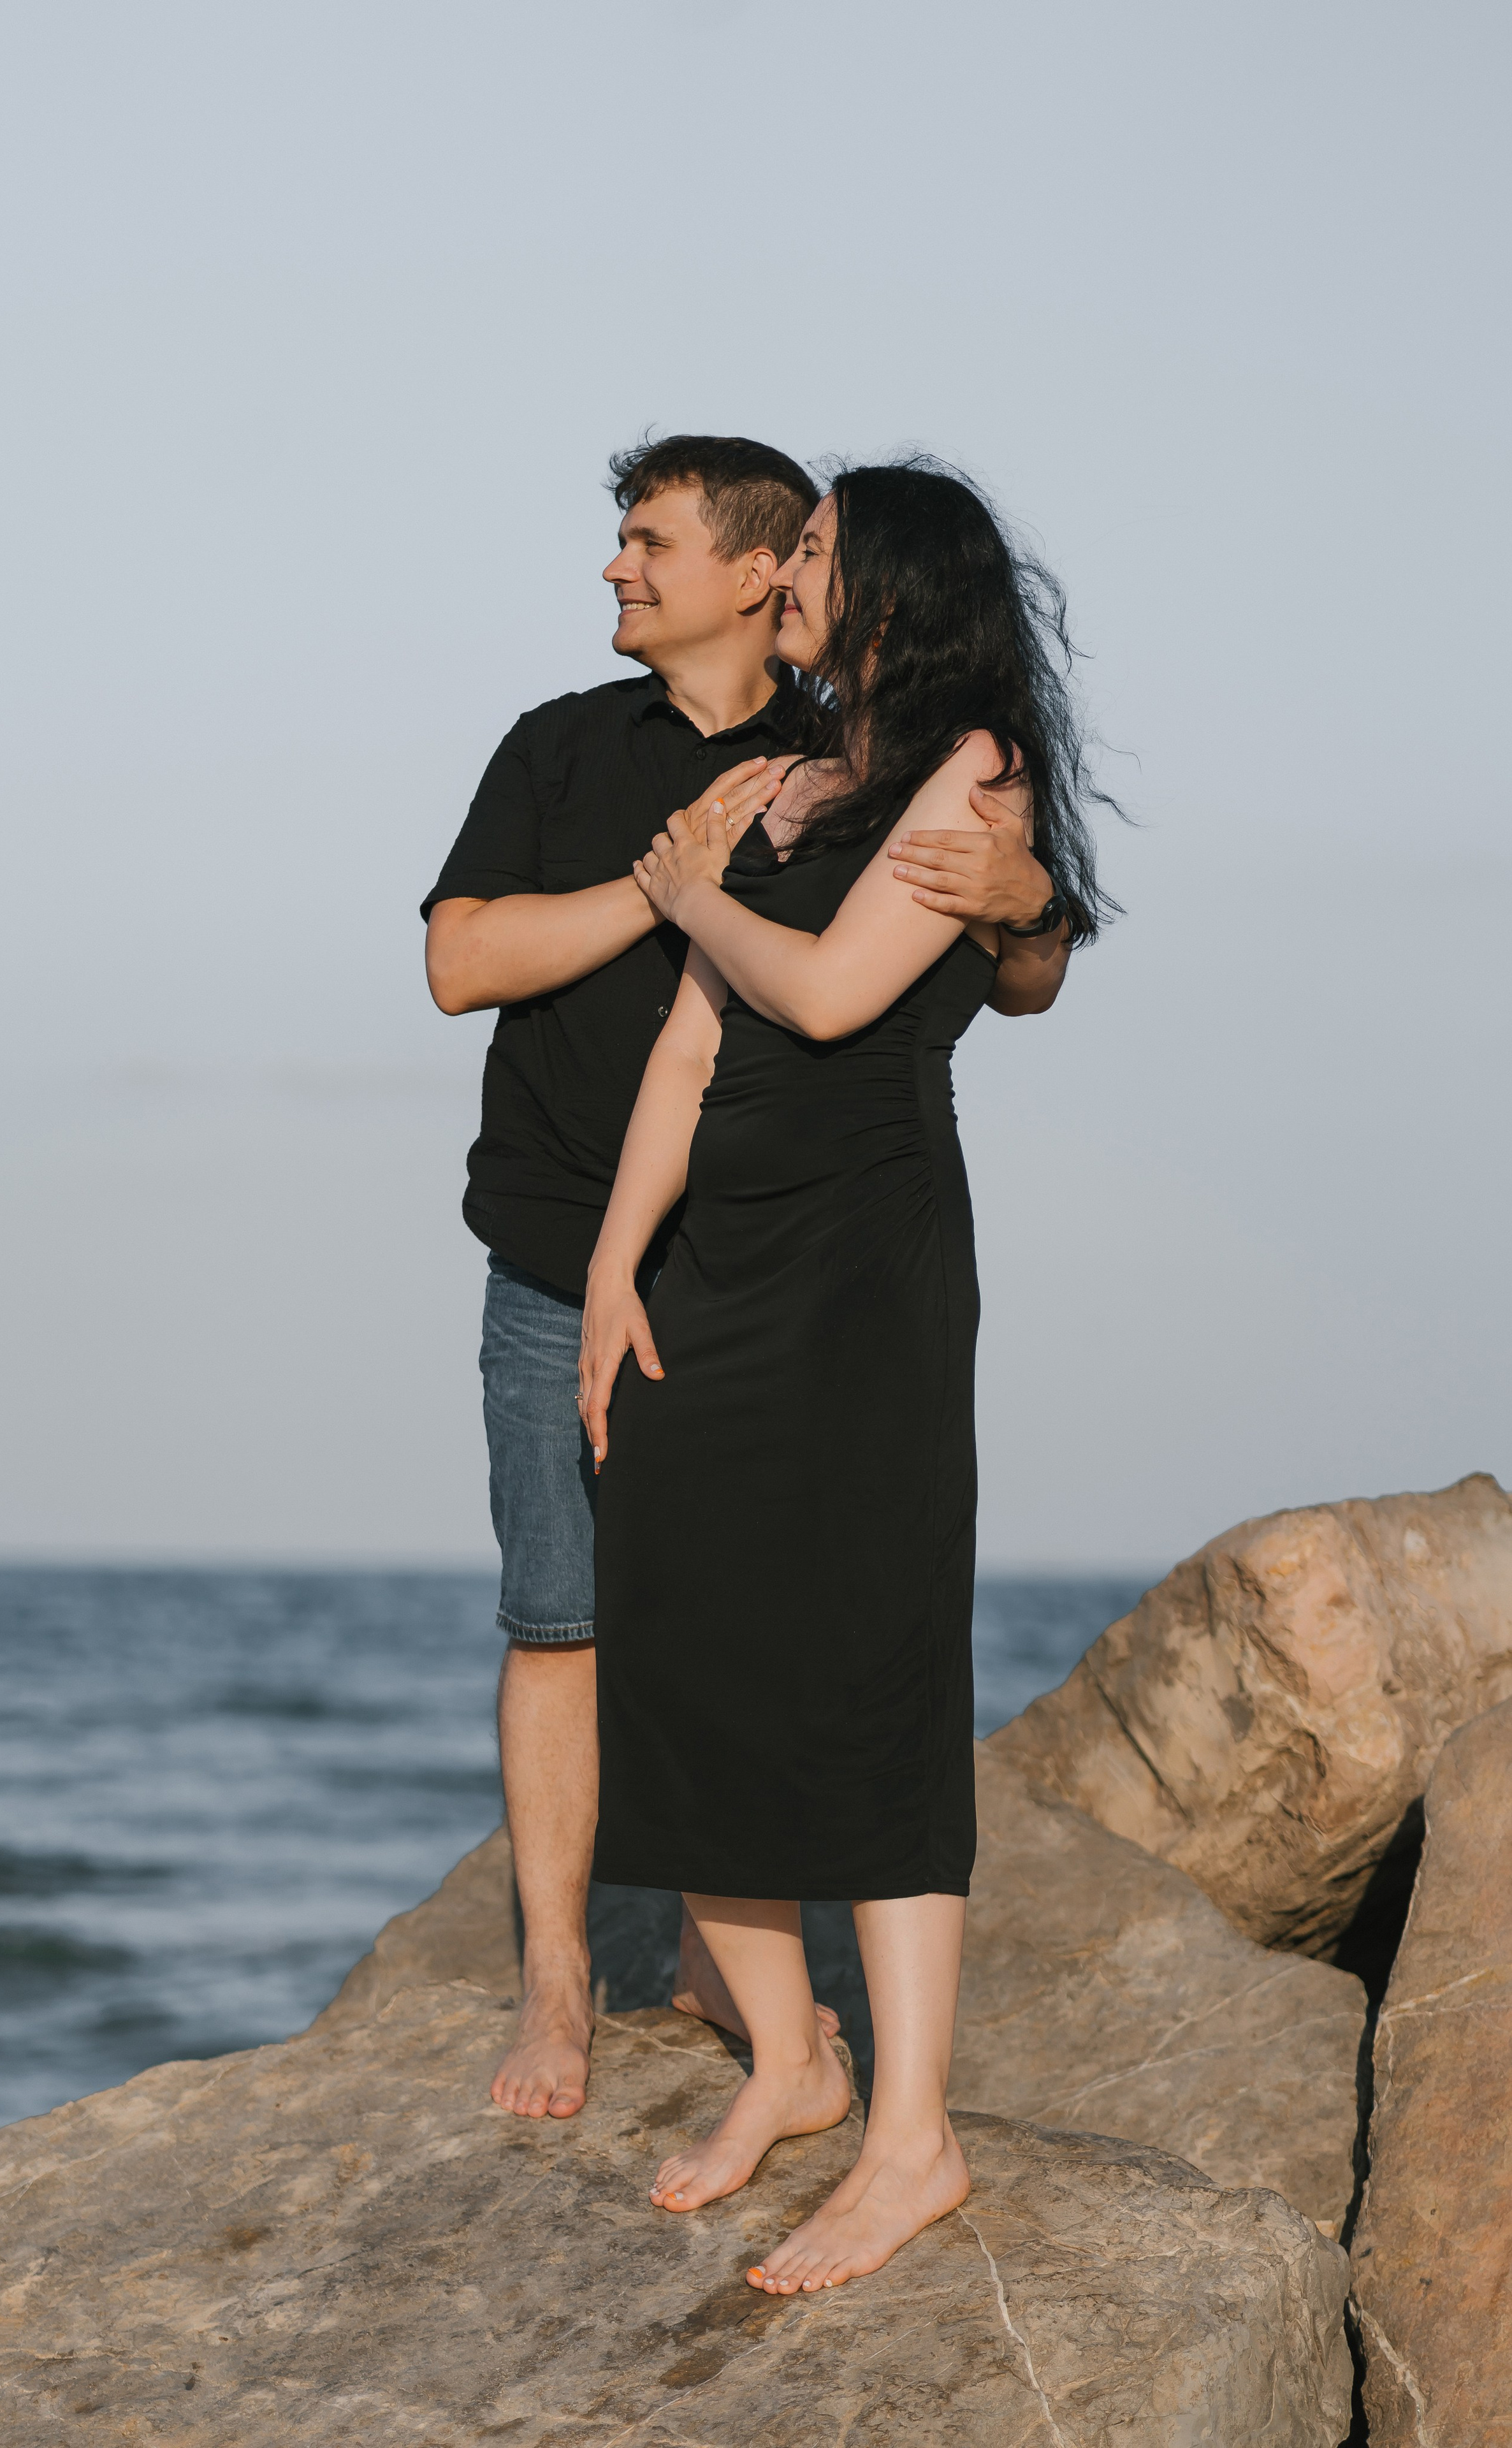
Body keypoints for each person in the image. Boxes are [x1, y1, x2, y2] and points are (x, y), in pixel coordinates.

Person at [425, 437, 1065, 2125]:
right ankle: (571, 1987)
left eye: (650, 541)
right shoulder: (571, 747)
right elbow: (466, 964)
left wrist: (1036, 903)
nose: (617, 568)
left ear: (766, 565)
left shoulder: (865, 755)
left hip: (790, 1261)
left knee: (769, 1623)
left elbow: (982, 973)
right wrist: (665, 892)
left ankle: (775, 2013)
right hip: (569, 1245)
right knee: (574, 1620)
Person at [579, 458, 1109, 2291]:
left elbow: (819, 996)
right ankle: (794, 2061)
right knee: (686, 1628)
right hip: (713, 1267)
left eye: (815, 549)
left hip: (862, 1271)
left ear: (892, 581)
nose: (792, 570)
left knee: (868, 1658)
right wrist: (613, 1268)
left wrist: (685, 891)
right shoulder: (791, 778)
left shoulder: (974, 774)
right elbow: (688, 1051)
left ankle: (912, 2141)